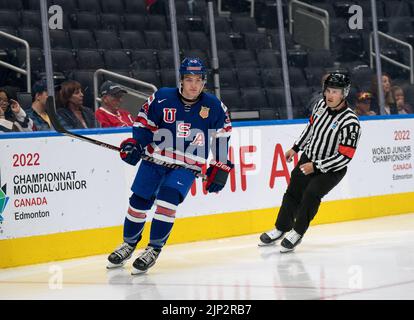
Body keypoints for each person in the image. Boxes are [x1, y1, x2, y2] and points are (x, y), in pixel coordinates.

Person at [107, 57, 233, 274]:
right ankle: (129, 243)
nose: (193, 85)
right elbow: (143, 123)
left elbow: (222, 136)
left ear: (204, 82)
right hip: (154, 161)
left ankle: (153, 249)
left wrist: (220, 165)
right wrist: (136, 144)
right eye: (189, 79)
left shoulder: (214, 106)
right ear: (181, 80)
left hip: (185, 167)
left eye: (198, 80)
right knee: (138, 203)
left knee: (167, 201)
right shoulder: (162, 97)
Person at [259, 73, 361, 253]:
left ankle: (297, 232)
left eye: (335, 92)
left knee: (311, 194)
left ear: (344, 94)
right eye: (328, 90)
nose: (329, 95)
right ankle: (281, 228)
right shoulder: (320, 105)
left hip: (332, 169)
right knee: (293, 192)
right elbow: (310, 129)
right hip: (309, 158)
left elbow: (344, 157)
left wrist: (316, 166)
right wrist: (296, 148)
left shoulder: (351, 122)